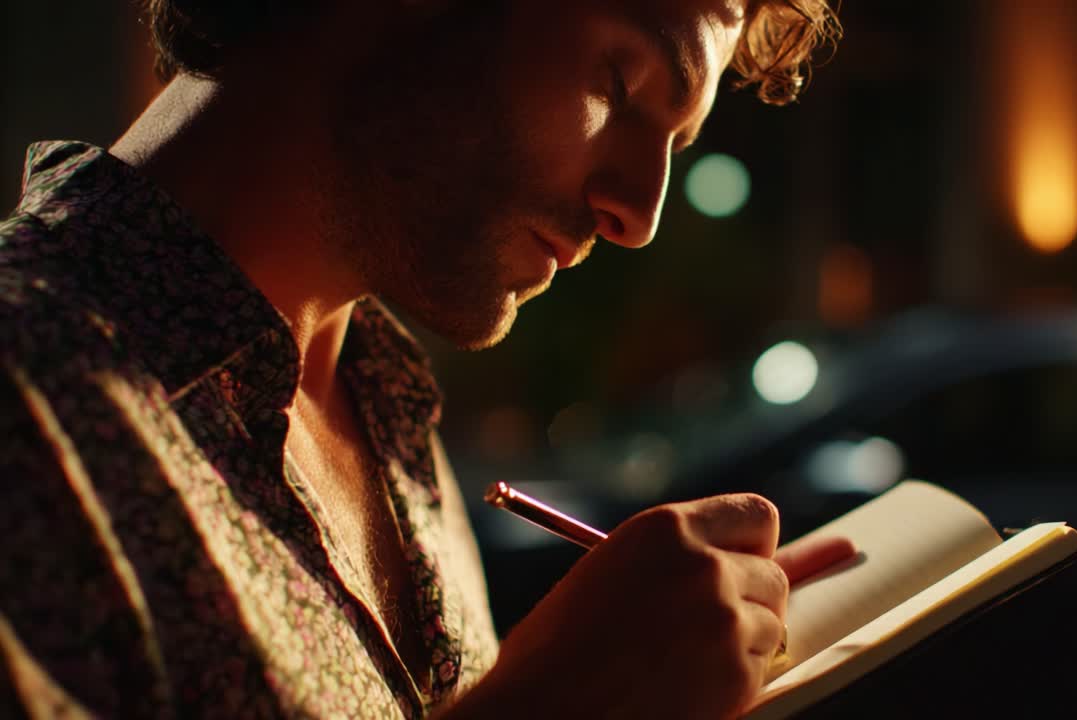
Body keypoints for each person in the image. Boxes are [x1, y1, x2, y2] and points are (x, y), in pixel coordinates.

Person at [0, 0, 852, 717]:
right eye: (619, 85)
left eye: (676, 142)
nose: (640, 213)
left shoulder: (389, 411)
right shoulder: (29, 393)